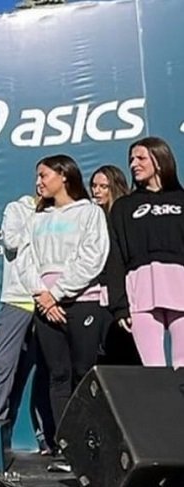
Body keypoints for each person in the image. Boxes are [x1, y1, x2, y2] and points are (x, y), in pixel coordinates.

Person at [19, 155, 109, 469]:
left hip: (82, 301)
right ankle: (68, 449)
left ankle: (94, 448)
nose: (38, 182)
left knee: (84, 374)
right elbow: (25, 261)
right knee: (58, 376)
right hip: (45, 304)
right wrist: (43, 297)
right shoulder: (36, 218)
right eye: (37, 177)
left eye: (43, 175)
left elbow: (92, 257)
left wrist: (56, 294)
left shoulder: (90, 212)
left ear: (63, 175)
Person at [107, 137, 184, 368]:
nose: (133, 164)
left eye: (141, 158)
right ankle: (159, 406)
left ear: (160, 161)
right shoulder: (123, 207)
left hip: (180, 285)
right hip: (140, 291)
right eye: (131, 160)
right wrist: (120, 306)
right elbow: (115, 257)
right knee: (153, 368)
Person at [0, 194, 37, 445]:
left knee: (55, 374)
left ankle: (51, 439)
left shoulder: (66, 214)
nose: (41, 183)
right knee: (3, 367)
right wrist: (39, 222)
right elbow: (11, 241)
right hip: (18, 298)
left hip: (53, 299)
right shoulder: (18, 208)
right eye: (39, 177)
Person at [89, 165, 140, 365]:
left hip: (124, 295)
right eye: (94, 186)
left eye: (103, 186)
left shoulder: (125, 218)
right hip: (98, 296)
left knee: (126, 353)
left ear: (115, 187)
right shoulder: (91, 218)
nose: (96, 191)